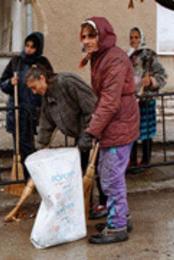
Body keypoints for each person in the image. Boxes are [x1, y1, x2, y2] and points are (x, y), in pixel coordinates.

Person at [79, 17, 140, 244]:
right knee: (109, 176)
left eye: (91, 36)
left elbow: (110, 101)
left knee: (111, 178)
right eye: (84, 36)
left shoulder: (114, 59)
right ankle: (121, 216)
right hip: (115, 123)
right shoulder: (100, 57)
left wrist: (91, 130)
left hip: (120, 123)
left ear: (103, 35)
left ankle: (117, 227)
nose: (87, 41)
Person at [24, 65, 107, 218]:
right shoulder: (47, 97)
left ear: (42, 78)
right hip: (80, 134)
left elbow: (91, 107)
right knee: (80, 170)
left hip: (97, 129)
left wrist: (87, 134)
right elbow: (46, 124)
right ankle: (86, 203)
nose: (33, 92)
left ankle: (105, 204)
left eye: (34, 87)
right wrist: (40, 150)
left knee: (101, 169)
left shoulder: (67, 82)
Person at [0, 32, 53, 180]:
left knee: (35, 145)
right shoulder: (16, 61)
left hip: (36, 111)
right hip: (18, 110)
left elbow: (49, 83)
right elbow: (2, 83)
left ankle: (37, 177)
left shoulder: (43, 63)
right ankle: (24, 177)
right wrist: (10, 83)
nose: (28, 49)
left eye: (32, 47)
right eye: (27, 46)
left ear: (38, 48)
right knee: (21, 146)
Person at [128, 27, 167, 166]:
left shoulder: (150, 55)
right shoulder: (128, 56)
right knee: (131, 131)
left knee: (146, 131)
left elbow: (162, 76)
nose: (134, 40)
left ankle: (146, 161)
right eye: (131, 37)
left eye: (136, 37)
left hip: (146, 100)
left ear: (142, 38)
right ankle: (132, 161)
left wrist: (151, 80)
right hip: (132, 101)